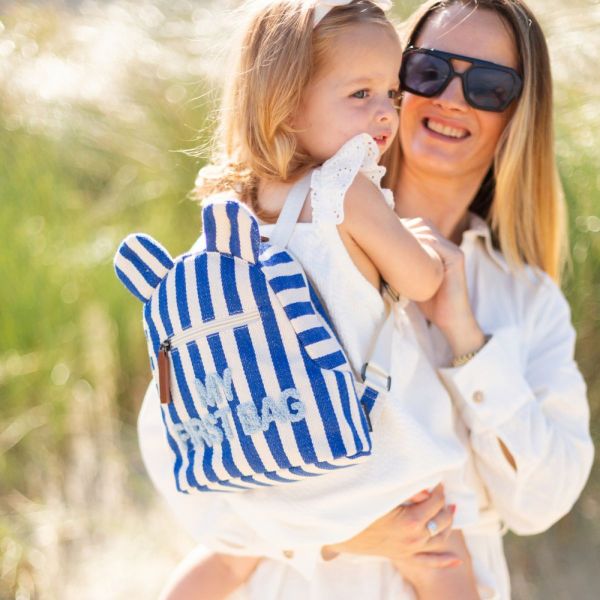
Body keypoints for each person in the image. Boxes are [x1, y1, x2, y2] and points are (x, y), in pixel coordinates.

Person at [137, 0, 594, 598]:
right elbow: (185, 445)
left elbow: (542, 502)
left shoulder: (526, 299)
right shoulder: (272, 238)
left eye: (488, 85)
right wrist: (340, 533)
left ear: (519, 113)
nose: (452, 98)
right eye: (427, 71)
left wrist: (468, 340)